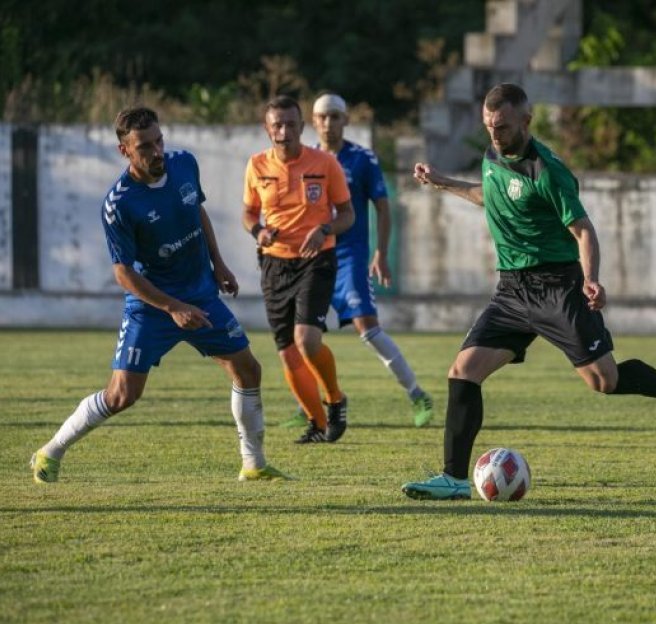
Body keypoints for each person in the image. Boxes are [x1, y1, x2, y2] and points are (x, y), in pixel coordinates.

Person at [401, 83, 656, 501]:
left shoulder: (548, 171)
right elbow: (491, 195)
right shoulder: (492, 156)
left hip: (559, 287)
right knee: (463, 372)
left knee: (604, 382)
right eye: (488, 126)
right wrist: (444, 183)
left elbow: (583, 230)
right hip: (512, 291)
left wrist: (591, 278)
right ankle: (454, 478)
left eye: (501, 126)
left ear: (525, 121)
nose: (493, 134)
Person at [30, 106, 287, 483]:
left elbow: (197, 211)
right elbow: (123, 272)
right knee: (122, 395)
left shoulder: (184, 164)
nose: (156, 152)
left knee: (248, 369)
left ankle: (254, 464)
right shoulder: (119, 204)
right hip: (152, 307)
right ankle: (50, 452)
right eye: (145, 147)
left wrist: (219, 263)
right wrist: (171, 307)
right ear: (125, 151)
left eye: (158, 141)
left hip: (199, 295)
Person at [279, 93, 433, 430]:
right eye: (322, 117)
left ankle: (417, 394)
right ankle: (308, 405)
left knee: (368, 328)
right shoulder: (304, 160)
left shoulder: (362, 159)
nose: (328, 124)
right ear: (312, 122)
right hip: (313, 259)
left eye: (335, 117)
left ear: (346, 120)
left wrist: (381, 252)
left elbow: (383, 206)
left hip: (348, 258)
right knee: (302, 337)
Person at [243, 95, 354, 444]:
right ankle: (318, 424)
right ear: (267, 128)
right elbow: (248, 213)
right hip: (274, 263)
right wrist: (258, 230)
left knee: (306, 339)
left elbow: (347, 214)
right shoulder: (257, 166)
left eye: (291, 124)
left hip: (316, 259)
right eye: (277, 124)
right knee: (287, 352)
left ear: (302, 127)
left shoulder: (324, 163)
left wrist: (323, 230)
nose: (284, 131)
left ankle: (335, 398)